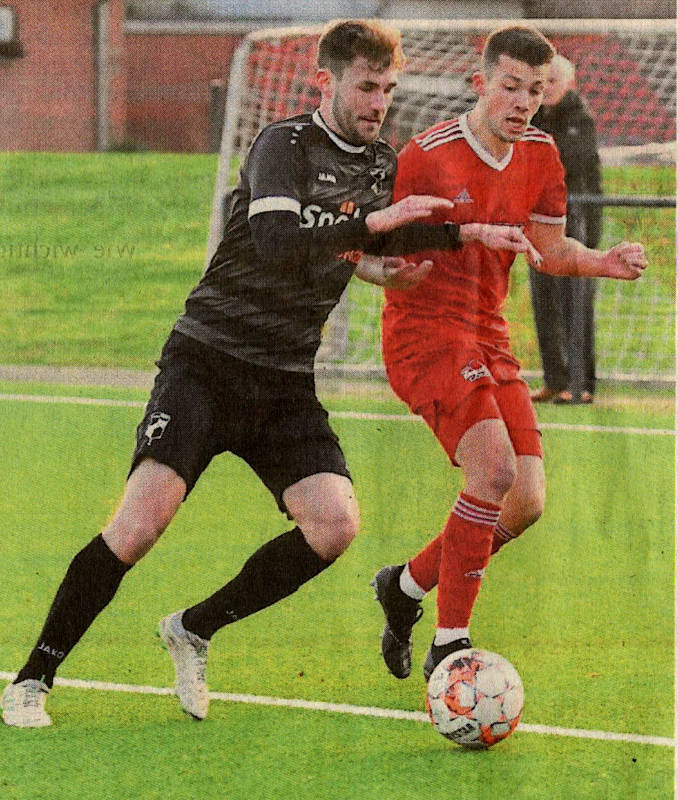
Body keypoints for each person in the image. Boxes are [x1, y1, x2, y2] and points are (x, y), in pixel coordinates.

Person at [2, 18, 530, 728]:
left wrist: (446, 241)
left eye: (389, 89)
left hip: (283, 378)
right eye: (367, 86)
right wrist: (373, 230)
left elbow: (373, 231)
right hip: (207, 363)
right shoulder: (282, 145)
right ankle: (33, 678)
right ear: (327, 81)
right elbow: (281, 240)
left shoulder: (379, 164)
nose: (380, 102)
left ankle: (192, 627)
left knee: (334, 525)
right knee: (137, 527)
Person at [371, 25, 646, 683]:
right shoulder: (427, 154)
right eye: (510, 87)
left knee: (525, 501)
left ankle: (404, 589)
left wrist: (603, 262)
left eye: (535, 90)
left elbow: (551, 250)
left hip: (488, 336)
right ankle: (451, 647)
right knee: (492, 472)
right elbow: (372, 242)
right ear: (481, 84)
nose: (523, 101)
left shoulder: (543, 155)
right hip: (425, 336)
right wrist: (417, 254)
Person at [529, 54, 603, 404]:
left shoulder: (580, 119)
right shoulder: (535, 116)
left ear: (569, 84)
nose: (545, 91)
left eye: (552, 83)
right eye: (542, 84)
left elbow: (568, 164)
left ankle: (582, 382)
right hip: (539, 220)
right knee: (543, 300)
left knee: (576, 302)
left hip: (577, 221)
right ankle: (554, 378)